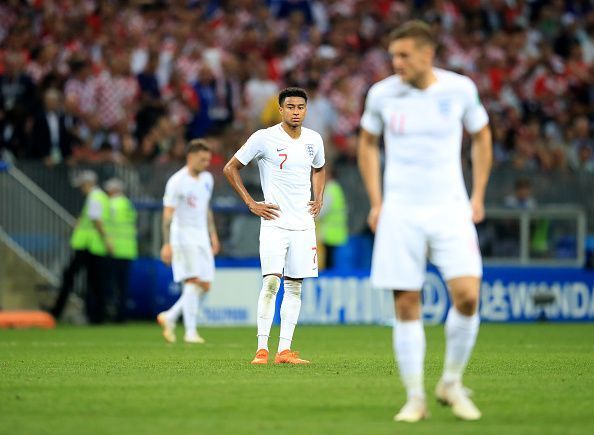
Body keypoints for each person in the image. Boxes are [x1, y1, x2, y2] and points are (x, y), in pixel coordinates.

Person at [357, 21, 492, 422]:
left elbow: (482, 136)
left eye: (404, 55)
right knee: (407, 301)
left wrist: (478, 194)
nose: (396, 63)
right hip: (400, 209)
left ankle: (450, 381)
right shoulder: (381, 94)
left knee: (468, 294)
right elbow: (367, 143)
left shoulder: (460, 88)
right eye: (392, 55)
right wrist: (377, 201)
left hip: (450, 206)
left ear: (427, 54)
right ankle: (415, 397)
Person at [223, 87, 326, 365]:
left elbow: (319, 167)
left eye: (300, 107)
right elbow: (230, 167)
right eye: (290, 107)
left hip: (304, 225)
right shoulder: (264, 138)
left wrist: (319, 198)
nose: (295, 112)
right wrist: (251, 203)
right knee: (271, 282)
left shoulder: (314, 140)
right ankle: (261, 349)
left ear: (306, 110)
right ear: (280, 109)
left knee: (295, 287)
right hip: (274, 223)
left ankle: (284, 351)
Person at [157, 139, 220, 344]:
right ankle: (190, 332)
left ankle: (170, 316)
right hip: (183, 235)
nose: (206, 163)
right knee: (192, 281)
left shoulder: (207, 179)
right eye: (202, 159)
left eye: (208, 160)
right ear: (190, 157)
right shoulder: (177, 181)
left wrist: (213, 235)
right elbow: (167, 215)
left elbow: (206, 208)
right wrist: (166, 243)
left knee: (205, 284)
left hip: (201, 235)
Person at [51, 170, 112, 324]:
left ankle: (57, 311)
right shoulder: (99, 196)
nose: (81, 188)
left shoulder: (95, 197)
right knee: (95, 282)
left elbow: (96, 220)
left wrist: (107, 240)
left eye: (82, 185)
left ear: (88, 183)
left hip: (87, 245)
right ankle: (97, 316)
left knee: (71, 277)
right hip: (93, 246)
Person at [104, 178, 138, 322]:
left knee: (109, 285)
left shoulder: (111, 204)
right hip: (128, 249)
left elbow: (105, 223)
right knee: (123, 286)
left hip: (114, 249)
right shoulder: (127, 203)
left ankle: (108, 314)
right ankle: (121, 316)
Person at [316, 164, 348, 270]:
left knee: (329, 267)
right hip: (337, 235)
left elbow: (321, 211)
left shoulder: (331, 190)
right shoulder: (336, 188)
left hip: (330, 236)